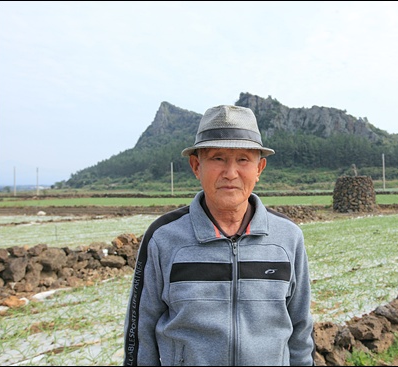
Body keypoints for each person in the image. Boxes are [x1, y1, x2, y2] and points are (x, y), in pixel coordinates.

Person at [123, 104, 315, 366]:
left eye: (243, 160)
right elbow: (140, 333)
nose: (230, 173)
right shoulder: (163, 238)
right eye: (217, 158)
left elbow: (301, 329)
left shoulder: (287, 238)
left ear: (259, 169)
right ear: (196, 166)